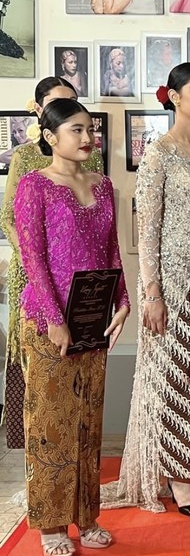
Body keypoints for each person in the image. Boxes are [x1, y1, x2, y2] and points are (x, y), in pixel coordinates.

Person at [101, 62, 190, 516]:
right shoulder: (158, 153)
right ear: (174, 97)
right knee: (174, 377)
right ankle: (178, 477)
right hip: (174, 285)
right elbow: (148, 230)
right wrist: (152, 294)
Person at [13, 98, 129, 556]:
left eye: (90, 130)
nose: (86, 138)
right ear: (49, 136)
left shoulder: (104, 186)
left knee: (87, 422)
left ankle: (88, 516)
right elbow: (33, 258)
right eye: (76, 130)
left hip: (94, 315)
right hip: (47, 321)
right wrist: (54, 320)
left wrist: (122, 302)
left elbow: (112, 250)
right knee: (49, 425)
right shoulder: (33, 186)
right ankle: (50, 524)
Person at [0, 79, 104, 451]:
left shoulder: (93, 166)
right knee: (38, 384)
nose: (84, 134)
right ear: (43, 113)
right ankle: (27, 452)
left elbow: (98, 231)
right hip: (36, 280)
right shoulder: (27, 161)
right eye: (59, 106)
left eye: (77, 108)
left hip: (83, 290)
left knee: (82, 405)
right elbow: (8, 217)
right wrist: (36, 256)